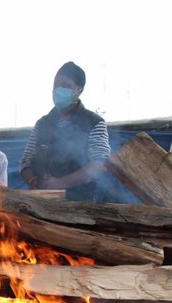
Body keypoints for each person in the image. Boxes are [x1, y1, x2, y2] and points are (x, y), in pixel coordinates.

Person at [19, 61, 110, 201]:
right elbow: (26, 161)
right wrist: (33, 181)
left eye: (65, 86)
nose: (58, 90)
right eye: (56, 86)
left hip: (79, 206)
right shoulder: (42, 124)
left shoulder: (94, 122)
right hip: (40, 203)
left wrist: (62, 183)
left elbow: (99, 165)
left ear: (79, 90)